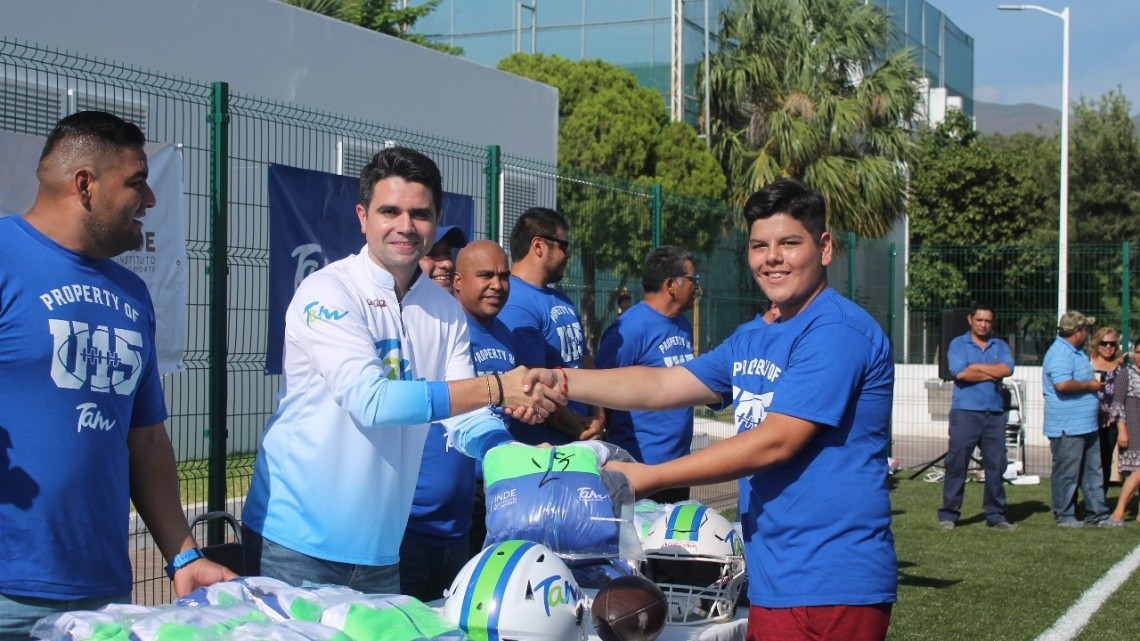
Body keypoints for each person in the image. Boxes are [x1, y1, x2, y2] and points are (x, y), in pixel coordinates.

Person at [524, 179, 896, 641]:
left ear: (823, 248)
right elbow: (663, 383)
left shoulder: (836, 330)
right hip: (773, 576)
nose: (772, 257)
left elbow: (776, 441)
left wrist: (648, 477)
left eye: (789, 243)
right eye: (760, 245)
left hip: (833, 579)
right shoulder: (754, 334)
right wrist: (561, 380)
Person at [241, 147, 560, 593]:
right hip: (296, 547)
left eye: (419, 213)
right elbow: (370, 401)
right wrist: (496, 388)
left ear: (435, 217)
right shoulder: (328, 291)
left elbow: (465, 417)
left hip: (381, 551)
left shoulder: (444, 310)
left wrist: (515, 456)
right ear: (362, 216)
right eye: (389, 211)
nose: (405, 226)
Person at [0, 111, 236, 640]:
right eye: (135, 182)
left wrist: (183, 556)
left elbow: (146, 437)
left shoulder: (132, 294)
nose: (149, 200)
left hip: (104, 596)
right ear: (85, 185)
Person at [399, 240, 516, 601]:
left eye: (503, 276)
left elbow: (484, 410)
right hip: (412, 528)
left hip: (464, 519)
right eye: (485, 275)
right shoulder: (426, 329)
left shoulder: (503, 333)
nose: (497, 284)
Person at [595, 246, 697, 503]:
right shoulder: (630, 329)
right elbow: (599, 390)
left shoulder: (682, 325)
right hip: (639, 470)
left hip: (678, 468)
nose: (697, 286)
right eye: (693, 280)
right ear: (672, 285)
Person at [497, 207, 605, 445]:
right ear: (538, 246)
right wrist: (581, 428)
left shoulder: (561, 299)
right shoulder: (515, 301)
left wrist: (598, 414)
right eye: (564, 246)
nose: (569, 254)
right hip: (544, 450)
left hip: (579, 439)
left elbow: (584, 359)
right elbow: (534, 385)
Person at [936, 304, 1017, 531]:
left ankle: (996, 515)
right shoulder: (958, 344)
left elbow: (1007, 369)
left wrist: (976, 368)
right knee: (957, 463)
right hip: (966, 413)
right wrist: (992, 370)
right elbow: (960, 372)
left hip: (995, 413)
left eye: (988, 321)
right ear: (970, 319)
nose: (983, 325)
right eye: (979, 320)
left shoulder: (999, 345)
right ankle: (949, 514)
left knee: (996, 465)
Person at [1041, 311, 1118, 528]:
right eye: (1086, 329)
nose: (1089, 333)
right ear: (1077, 332)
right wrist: (1090, 387)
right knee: (1067, 473)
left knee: (1093, 471)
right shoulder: (1059, 354)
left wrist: (1099, 406)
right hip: (1068, 427)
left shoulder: (1078, 352)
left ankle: (1098, 515)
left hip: (1087, 424)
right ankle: (1064, 516)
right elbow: (1063, 385)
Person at [1089, 326, 1124, 491]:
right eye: (1104, 342)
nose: (1108, 347)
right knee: (1086, 460)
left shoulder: (1120, 368)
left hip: (1111, 422)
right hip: (1088, 419)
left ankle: (1100, 500)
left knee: (1105, 459)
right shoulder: (1087, 363)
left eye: (1112, 344)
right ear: (1097, 343)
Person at [1109, 342, 1140, 524]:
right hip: (1133, 429)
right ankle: (1118, 513)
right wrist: (1122, 430)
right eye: (1137, 352)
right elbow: (1117, 404)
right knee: (1137, 473)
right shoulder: (1126, 373)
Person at [418, 225, 468, 294]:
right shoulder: (399, 303)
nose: (448, 264)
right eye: (431, 254)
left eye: (448, 253)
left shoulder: (454, 304)